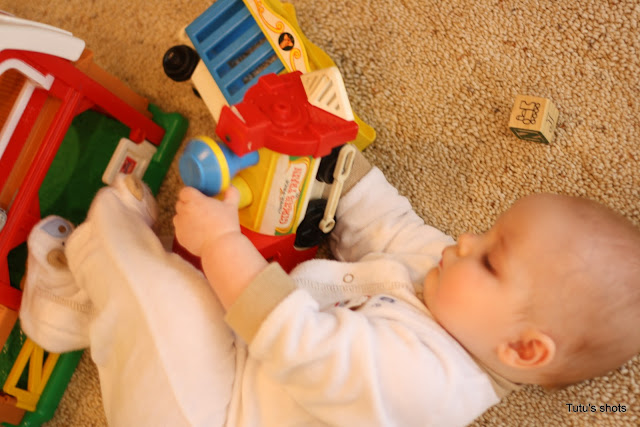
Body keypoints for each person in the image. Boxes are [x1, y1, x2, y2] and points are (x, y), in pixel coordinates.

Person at [18, 152, 640, 426]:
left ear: (522, 349)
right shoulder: (451, 282)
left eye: (492, 261)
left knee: (167, 296)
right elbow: (387, 226)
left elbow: (299, 342)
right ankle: (99, 311)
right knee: (185, 297)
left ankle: (72, 287)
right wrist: (335, 159)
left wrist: (222, 242)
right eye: (488, 231)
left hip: (208, 416)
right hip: (241, 366)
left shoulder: (429, 387)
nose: (467, 241)